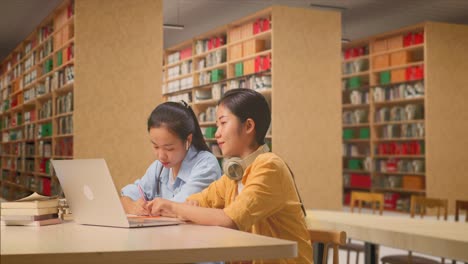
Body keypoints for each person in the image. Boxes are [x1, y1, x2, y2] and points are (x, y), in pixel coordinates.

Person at [146, 89, 313, 264]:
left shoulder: (269, 166)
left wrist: (174, 208)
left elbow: (229, 220)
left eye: (223, 123)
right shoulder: (234, 175)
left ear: (248, 126)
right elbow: (197, 200)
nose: (217, 133)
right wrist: (190, 206)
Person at [120, 101, 222, 216]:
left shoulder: (206, 164)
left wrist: (149, 207)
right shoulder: (159, 167)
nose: (161, 156)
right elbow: (129, 193)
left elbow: (179, 208)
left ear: (188, 140)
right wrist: (131, 205)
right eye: (156, 146)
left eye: (169, 148)